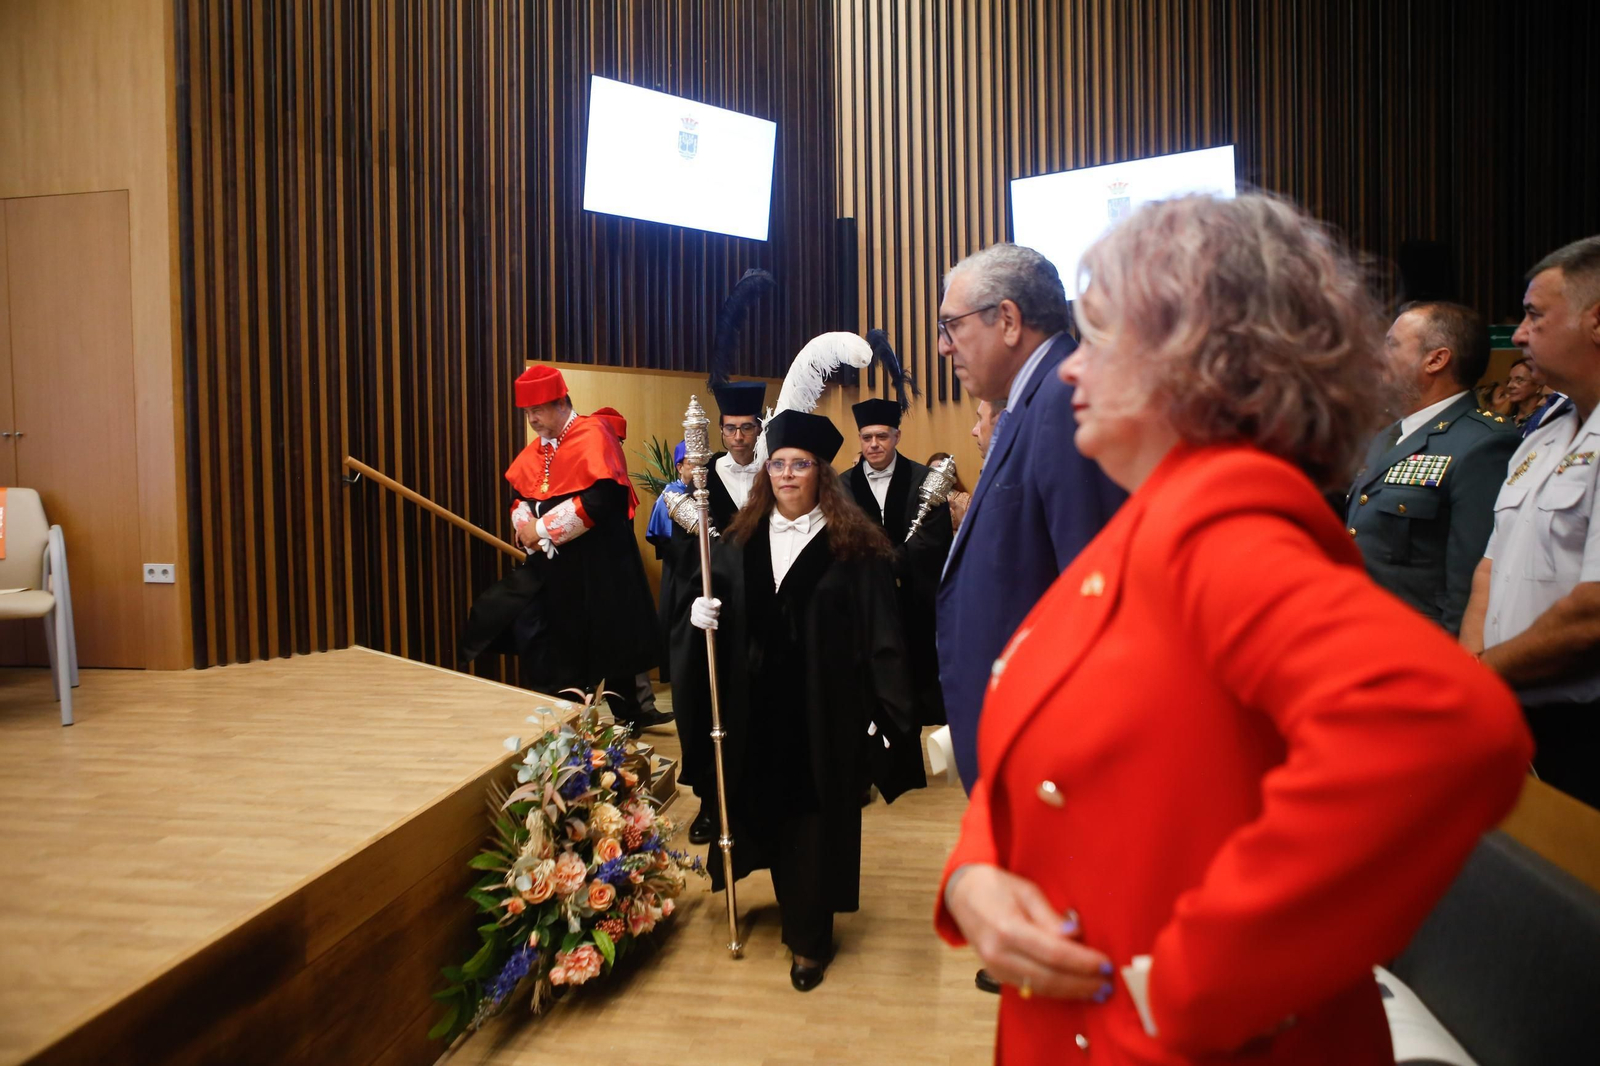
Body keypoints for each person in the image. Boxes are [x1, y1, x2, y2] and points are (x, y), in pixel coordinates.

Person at [937, 194, 1532, 1065]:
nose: (1069, 370)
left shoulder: (1224, 526)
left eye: (1100, 338)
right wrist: (979, 873)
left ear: (1202, 360)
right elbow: (1044, 745)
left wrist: (1199, 980)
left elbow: (1446, 728)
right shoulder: (1150, 522)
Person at [679, 410, 925, 992]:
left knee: (815, 826)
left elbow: (882, 638)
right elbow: (721, 610)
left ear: (821, 474)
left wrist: (888, 719)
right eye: (780, 464)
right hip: (758, 711)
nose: (788, 474)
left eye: (801, 465)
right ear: (768, 472)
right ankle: (789, 902)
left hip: (824, 715)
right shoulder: (739, 543)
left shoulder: (855, 549)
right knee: (769, 812)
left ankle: (810, 941)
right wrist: (700, 620)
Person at [935, 243, 1125, 792]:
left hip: (1047, 758)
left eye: (952, 326)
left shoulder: (1065, 402)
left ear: (1010, 321)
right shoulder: (1030, 403)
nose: (945, 347)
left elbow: (1090, 598)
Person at [1462, 234, 1600, 809]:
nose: (1518, 335)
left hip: (1584, 733)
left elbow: (1593, 612)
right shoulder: (1542, 432)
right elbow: (1489, 572)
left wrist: (1474, 681)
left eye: (1534, 315)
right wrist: (1474, 681)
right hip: (1506, 709)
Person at [459, 365, 671, 728]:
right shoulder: (537, 449)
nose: (532, 421)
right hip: (553, 574)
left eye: (537, 411)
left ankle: (621, 717)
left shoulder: (594, 435)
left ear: (560, 404)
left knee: (607, 648)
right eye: (527, 413)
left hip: (597, 572)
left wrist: (540, 530)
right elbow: (520, 495)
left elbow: (600, 502)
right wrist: (523, 522)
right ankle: (561, 720)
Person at [1345, 302, 1520, 633]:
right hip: (1364, 630)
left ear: (1436, 359)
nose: (1377, 355)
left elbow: (1469, 586)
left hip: (1420, 644)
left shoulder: (1483, 444)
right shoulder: (1388, 435)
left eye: (1391, 344)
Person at [842, 397, 954, 726]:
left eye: (882, 436)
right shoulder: (843, 485)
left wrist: (894, 563)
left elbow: (933, 540)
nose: (874, 445)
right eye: (867, 438)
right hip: (863, 602)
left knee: (912, 677)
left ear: (897, 436)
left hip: (912, 598)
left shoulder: (923, 480)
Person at [705, 381, 768, 530]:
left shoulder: (773, 471)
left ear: (759, 429)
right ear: (721, 430)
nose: (738, 436)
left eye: (747, 428)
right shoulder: (706, 473)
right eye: (730, 428)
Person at [1502, 357, 1546, 426]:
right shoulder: (1506, 421)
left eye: (1519, 380)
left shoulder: (1544, 418)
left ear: (1538, 385)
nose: (1510, 385)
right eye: (1509, 380)